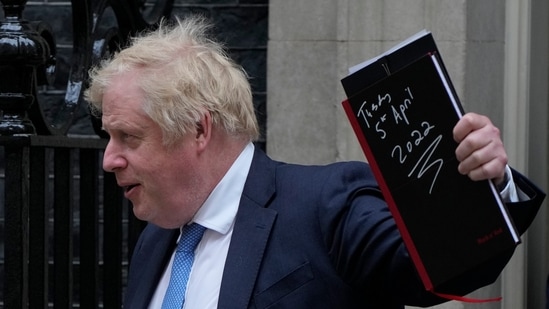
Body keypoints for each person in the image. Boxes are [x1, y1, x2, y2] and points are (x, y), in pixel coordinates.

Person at [84, 15, 545, 309]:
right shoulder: (155, 242)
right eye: (109, 137)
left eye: (129, 136)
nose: (109, 159)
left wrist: (487, 180)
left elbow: (442, 272)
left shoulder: (329, 205)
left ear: (199, 130)